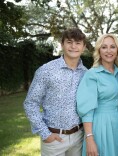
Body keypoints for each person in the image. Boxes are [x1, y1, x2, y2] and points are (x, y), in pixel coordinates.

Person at [23, 28, 88, 156]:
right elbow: (30, 103)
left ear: (84, 47)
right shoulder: (46, 71)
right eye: (69, 42)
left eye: (78, 43)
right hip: (54, 139)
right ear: (62, 44)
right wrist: (45, 133)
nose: (73, 46)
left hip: (79, 138)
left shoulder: (86, 73)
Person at [76, 34, 118, 156]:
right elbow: (87, 110)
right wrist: (89, 138)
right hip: (101, 125)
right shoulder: (92, 75)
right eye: (104, 47)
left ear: (117, 50)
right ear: (99, 50)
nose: (109, 51)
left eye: (112, 47)